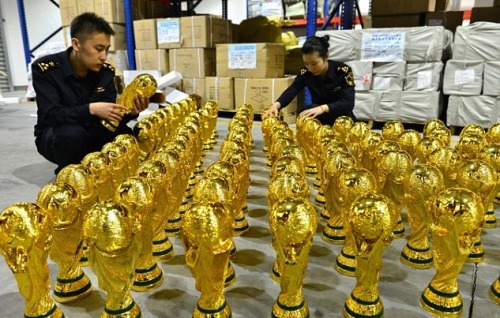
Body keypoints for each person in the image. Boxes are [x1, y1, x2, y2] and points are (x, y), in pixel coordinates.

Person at [32, 12, 149, 174]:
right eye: (98, 49)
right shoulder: (47, 69)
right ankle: (69, 173)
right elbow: (51, 115)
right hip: (57, 136)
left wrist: (131, 111)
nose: (104, 57)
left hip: (91, 131)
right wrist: (91, 109)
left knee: (124, 134)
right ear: (76, 44)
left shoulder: (106, 72)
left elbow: (109, 117)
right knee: (72, 134)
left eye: (107, 50)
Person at [262, 35, 355, 125]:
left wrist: (323, 108)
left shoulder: (342, 71)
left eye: (314, 64)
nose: (310, 68)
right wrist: (276, 105)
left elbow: (348, 102)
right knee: (305, 114)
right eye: (306, 64)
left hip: (342, 118)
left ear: (326, 56)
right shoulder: (306, 73)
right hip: (319, 116)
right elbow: (293, 90)